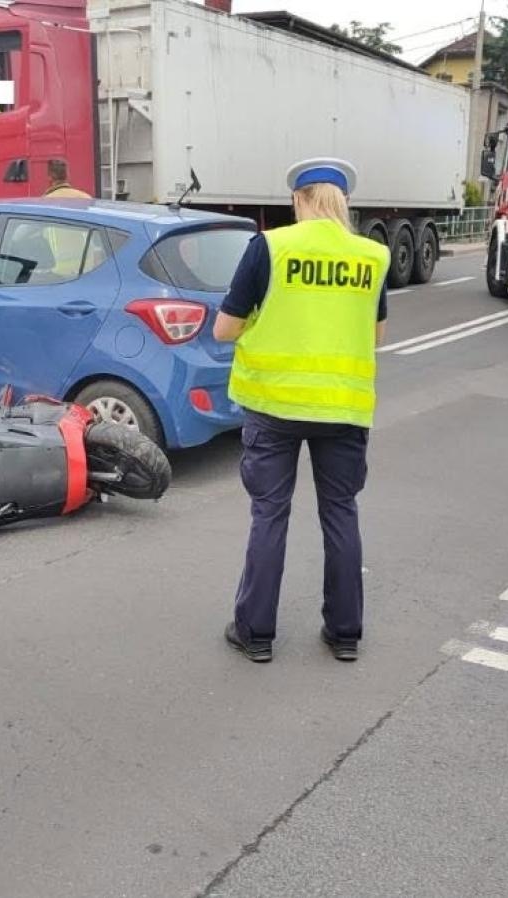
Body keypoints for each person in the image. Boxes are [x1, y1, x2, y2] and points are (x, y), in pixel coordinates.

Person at [212, 157, 391, 664]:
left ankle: (255, 633)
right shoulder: (373, 256)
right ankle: (345, 633)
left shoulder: (270, 247)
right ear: (343, 202)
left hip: (274, 406)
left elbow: (225, 329)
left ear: (298, 200)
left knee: (270, 514)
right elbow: (376, 336)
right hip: (343, 409)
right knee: (341, 512)